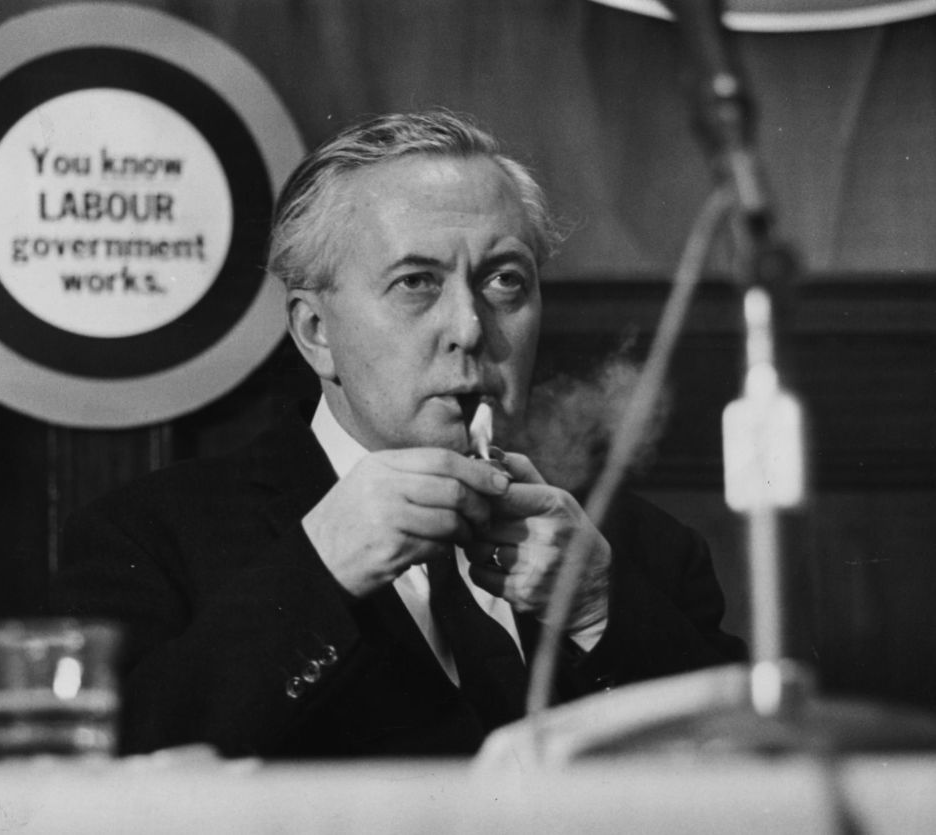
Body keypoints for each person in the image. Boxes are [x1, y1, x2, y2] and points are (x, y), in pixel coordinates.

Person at [54, 110, 745, 759]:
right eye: (416, 281)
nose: (471, 328)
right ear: (316, 333)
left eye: (505, 280)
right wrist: (318, 571)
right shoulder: (146, 539)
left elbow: (760, 785)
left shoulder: (641, 550)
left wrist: (599, 606)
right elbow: (99, 784)